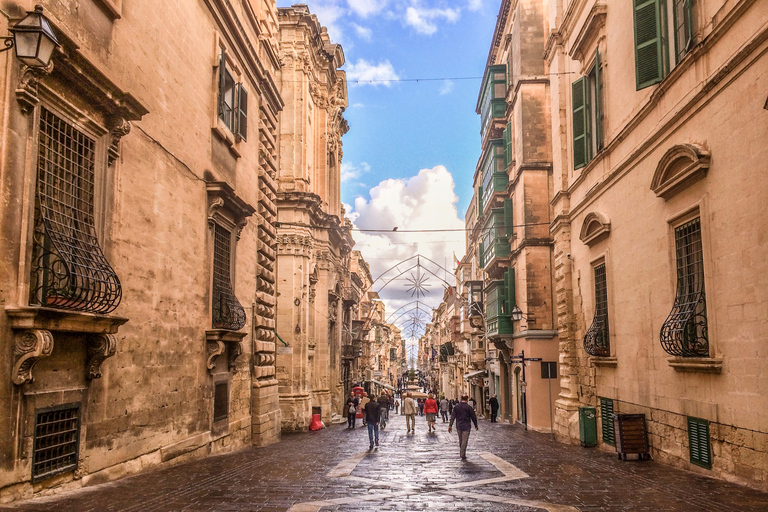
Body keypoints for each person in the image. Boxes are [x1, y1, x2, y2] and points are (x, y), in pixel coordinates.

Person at [448, 394, 478, 459]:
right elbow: (473, 417)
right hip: (467, 425)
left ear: (461, 399)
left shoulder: (456, 407)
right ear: (467, 399)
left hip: (459, 425)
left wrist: (450, 425)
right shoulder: (469, 407)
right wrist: (476, 425)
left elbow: (452, 417)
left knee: (461, 439)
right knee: (464, 440)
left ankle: (462, 451)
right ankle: (462, 453)